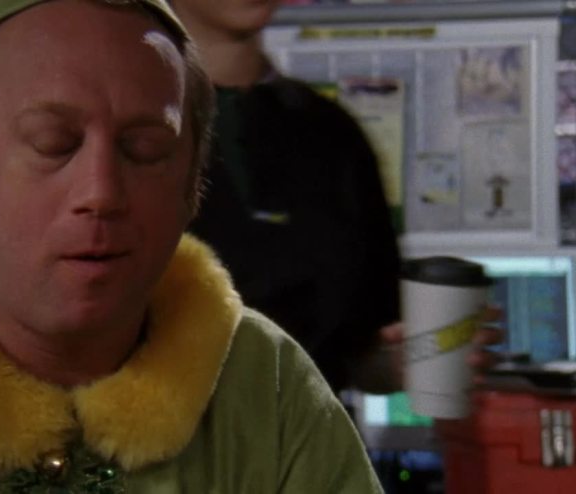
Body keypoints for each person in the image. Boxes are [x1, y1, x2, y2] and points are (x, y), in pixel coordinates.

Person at [0, 0, 383, 492]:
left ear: (191, 181)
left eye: (145, 150)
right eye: (53, 143)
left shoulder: (268, 385)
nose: (101, 192)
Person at [169, 0, 501, 395]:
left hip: (307, 431)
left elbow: (360, 352)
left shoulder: (331, 133)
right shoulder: (131, 126)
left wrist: (413, 357)